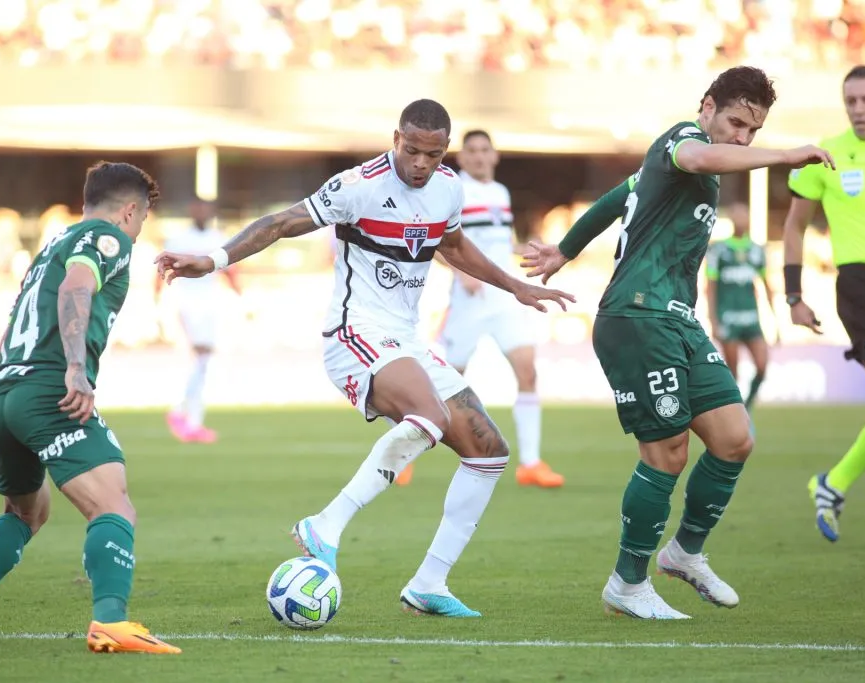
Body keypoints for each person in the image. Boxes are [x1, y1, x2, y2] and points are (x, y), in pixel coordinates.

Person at [156, 99, 573, 617]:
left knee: (488, 450)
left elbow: (454, 246)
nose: (422, 163)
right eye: (413, 151)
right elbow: (282, 223)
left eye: (434, 153)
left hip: (405, 340)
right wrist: (213, 259)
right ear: (396, 138)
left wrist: (514, 287)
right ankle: (325, 524)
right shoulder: (359, 185)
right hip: (354, 335)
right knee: (432, 417)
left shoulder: (447, 186)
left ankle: (429, 584)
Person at [522, 66, 833, 619]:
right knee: (666, 453)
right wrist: (784, 155)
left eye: (753, 131)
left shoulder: (680, 168)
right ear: (707, 106)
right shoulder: (682, 142)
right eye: (736, 122)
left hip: (677, 319)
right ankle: (628, 583)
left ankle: (685, 552)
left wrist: (564, 250)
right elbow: (697, 157)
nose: (742, 138)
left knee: (735, 438)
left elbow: (618, 196)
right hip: (636, 316)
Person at [0, 162, 180, 654]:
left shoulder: (54, 243)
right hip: (49, 388)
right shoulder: (106, 239)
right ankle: (111, 621)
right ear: (130, 210)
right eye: (141, 220)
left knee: (27, 513)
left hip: (2, 390)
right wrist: (74, 369)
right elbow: (77, 288)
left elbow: (14, 325)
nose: (138, 231)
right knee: (113, 504)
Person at [397, 130, 562, 489]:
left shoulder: (500, 194)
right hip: (468, 301)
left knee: (527, 372)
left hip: (502, 300)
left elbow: (495, 245)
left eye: (485, 150)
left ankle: (531, 463)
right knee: (442, 382)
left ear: (495, 155)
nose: (479, 157)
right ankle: (402, 455)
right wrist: (459, 271)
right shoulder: (452, 190)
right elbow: (430, 239)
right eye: (471, 151)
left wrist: (525, 252)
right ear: (461, 157)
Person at [783, 65, 865, 547]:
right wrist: (793, 294)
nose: (859, 109)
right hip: (860, 284)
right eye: (851, 100)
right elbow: (794, 227)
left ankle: (831, 484)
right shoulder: (824, 155)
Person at [158, 199, 241, 444]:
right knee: (200, 357)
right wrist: (159, 301)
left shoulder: (218, 238)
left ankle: (188, 416)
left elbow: (230, 269)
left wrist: (240, 296)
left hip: (211, 303)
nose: (202, 213)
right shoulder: (179, 239)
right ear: (191, 211)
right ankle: (183, 414)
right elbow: (161, 270)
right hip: (186, 302)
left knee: (203, 361)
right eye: (198, 208)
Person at [705, 201, 780, 412]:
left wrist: (776, 323)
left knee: (762, 367)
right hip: (728, 318)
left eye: (744, 215)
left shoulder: (757, 251)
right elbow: (709, 288)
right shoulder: (719, 250)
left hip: (751, 319)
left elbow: (767, 287)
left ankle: (746, 408)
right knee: (733, 373)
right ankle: (733, 413)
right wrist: (713, 321)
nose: (741, 219)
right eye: (737, 215)